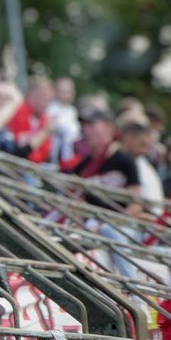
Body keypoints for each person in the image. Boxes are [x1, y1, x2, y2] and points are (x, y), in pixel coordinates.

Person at [66, 105, 142, 278]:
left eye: (92, 125)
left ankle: (135, 290)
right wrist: (83, 224)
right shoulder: (83, 165)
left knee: (110, 231)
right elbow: (74, 203)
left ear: (108, 127)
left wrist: (107, 223)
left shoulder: (124, 160)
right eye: (85, 126)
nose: (86, 130)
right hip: (91, 226)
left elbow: (136, 205)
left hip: (122, 228)